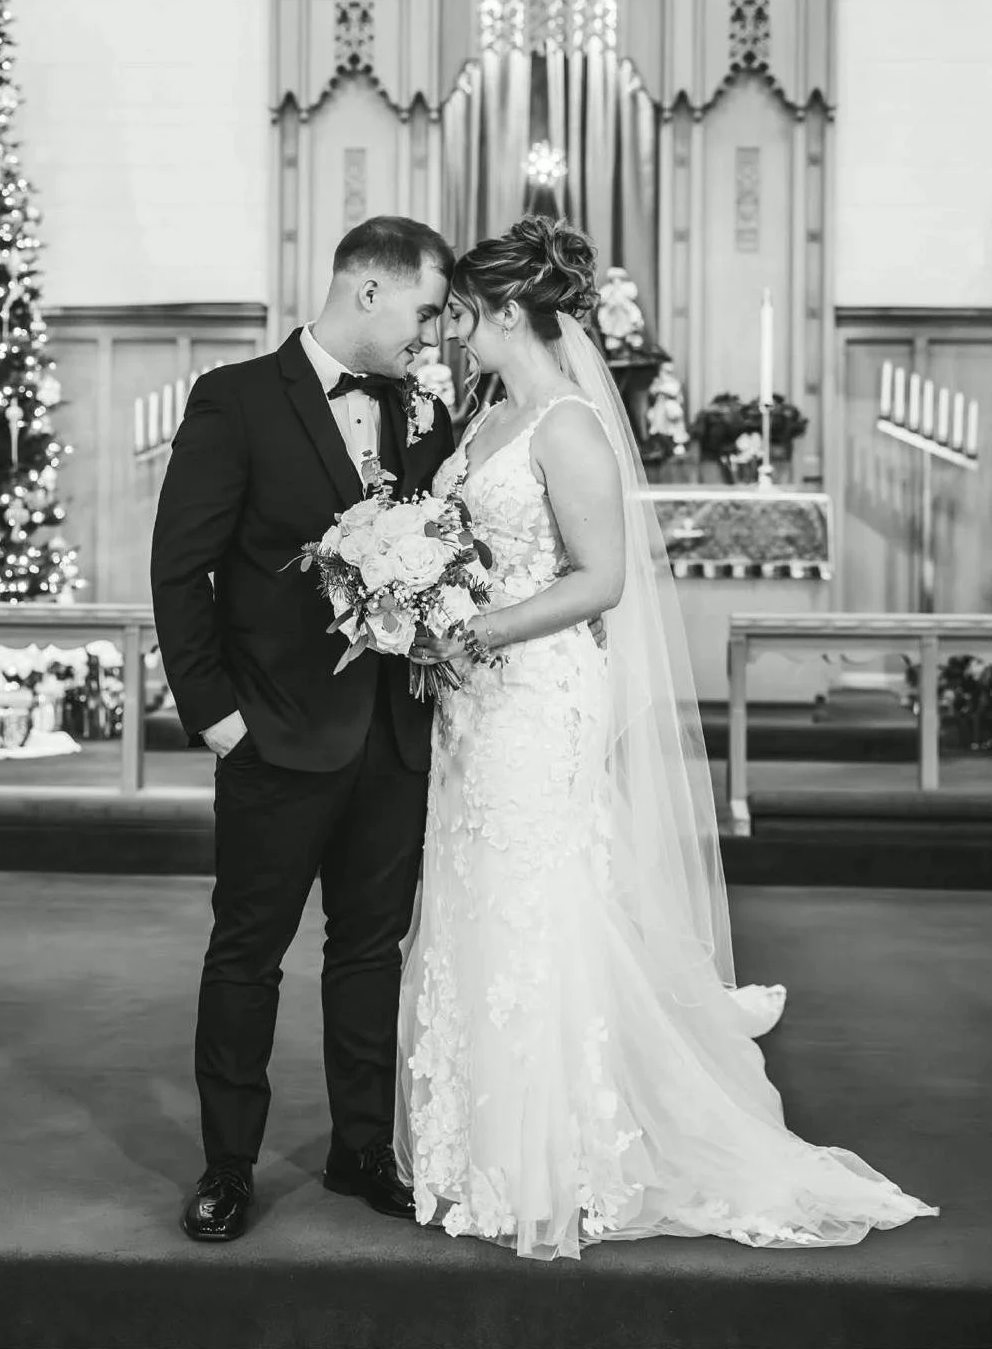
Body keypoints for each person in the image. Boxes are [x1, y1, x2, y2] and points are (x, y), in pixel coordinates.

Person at [396, 215, 937, 1262]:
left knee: (539, 895)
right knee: (474, 888)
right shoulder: (487, 417)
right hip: (472, 698)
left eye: (464, 313)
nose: (454, 332)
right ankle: (482, 1146)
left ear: (509, 311)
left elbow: (600, 579)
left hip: (536, 689)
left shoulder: (564, 425)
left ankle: (561, 1151)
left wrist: (482, 625)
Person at [151, 216, 455, 1241]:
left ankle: (360, 1146)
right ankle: (227, 1165)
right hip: (273, 733)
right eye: (422, 311)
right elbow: (179, 568)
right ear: (369, 290)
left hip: (393, 735)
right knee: (248, 954)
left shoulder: (423, 410)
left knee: (370, 951)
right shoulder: (235, 399)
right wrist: (217, 716)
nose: (428, 334)